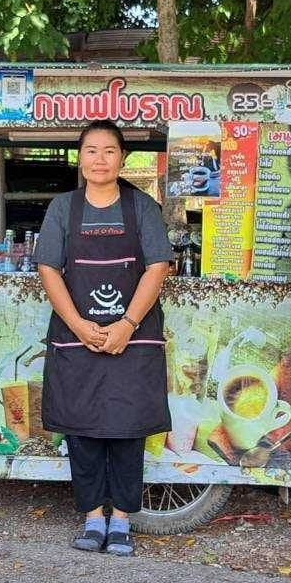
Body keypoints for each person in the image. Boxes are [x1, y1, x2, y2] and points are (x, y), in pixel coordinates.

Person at [35, 121, 173, 557]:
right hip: (79, 336)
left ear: (123, 158)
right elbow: (48, 269)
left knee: (128, 429)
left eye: (109, 151)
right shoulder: (63, 208)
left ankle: (123, 520)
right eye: (91, 150)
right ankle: (93, 517)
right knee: (84, 428)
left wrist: (127, 324)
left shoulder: (142, 207)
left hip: (133, 336)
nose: (99, 159)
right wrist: (78, 324)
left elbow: (157, 268)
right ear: (80, 158)